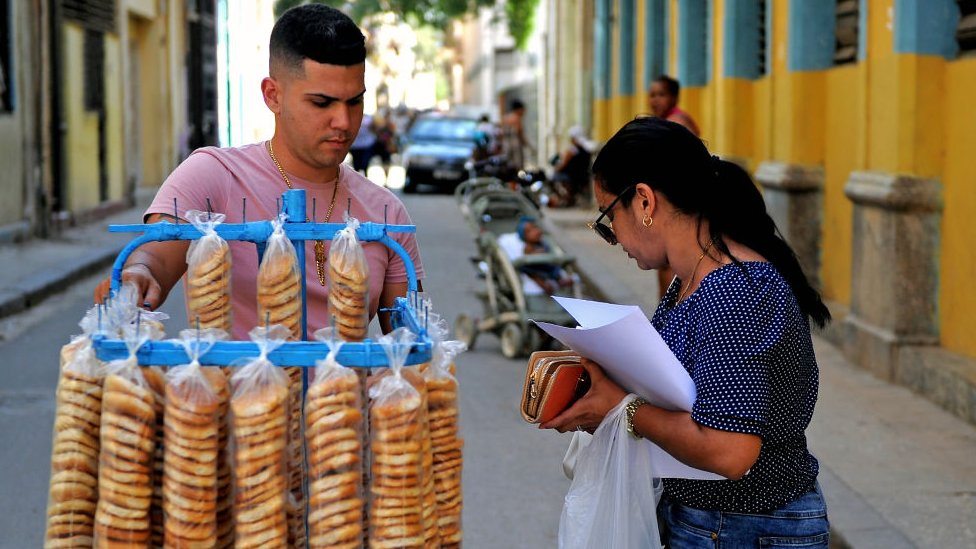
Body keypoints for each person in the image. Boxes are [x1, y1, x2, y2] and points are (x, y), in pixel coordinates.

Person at [541, 117, 832, 547]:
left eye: (607, 219)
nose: (613, 238)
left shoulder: (736, 289)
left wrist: (623, 408)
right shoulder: (691, 276)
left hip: (746, 527)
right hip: (713, 521)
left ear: (643, 201)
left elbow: (729, 452)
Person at [93, 4, 424, 339]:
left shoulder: (386, 211)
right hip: (233, 390)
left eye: (354, 102)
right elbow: (157, 257)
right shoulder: (213, 176)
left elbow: (407, 338)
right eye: (322, 103)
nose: (343, 121)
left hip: (343, 392)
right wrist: (138, 273)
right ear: (273, 95)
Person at [648, 74, 699, 301]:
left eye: (661, 94)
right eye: (652, 95)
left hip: (678, 205)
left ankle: (671, 324)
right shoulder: (667, 121)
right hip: (670, 204)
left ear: (674, 97)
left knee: (672, 268)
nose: (655, 100)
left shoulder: (676, 123)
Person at [550, 125, 595, 207]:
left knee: (552, 178)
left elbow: (562, 165)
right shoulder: (587, 150)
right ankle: (569, 198)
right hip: (583, 176)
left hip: (570, 177)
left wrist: (555, 169)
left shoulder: (571, 151)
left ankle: (566, 198)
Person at [498, 98, 535, 182]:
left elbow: (501, 133)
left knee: (508, 166)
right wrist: (529, 146)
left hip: (506, 145)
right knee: (518, 168)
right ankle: (516, 183)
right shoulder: (517, 118)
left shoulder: (505, 118)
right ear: (519, 109)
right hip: (515, 146)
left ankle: (509, 182)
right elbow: (520, 134)